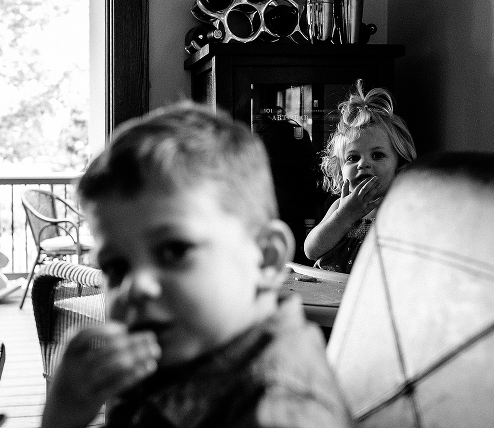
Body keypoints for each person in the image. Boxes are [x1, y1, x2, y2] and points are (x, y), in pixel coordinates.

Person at [42, 101, 353, 428]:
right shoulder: (192, 344)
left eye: (174, 250)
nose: (135, 286)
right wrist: (64, 414)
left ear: (265, 258)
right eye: (116, 268)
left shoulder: (279, 413)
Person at [303, 83, 416, 273]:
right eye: (353, 158)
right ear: (340, 169)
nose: (363, 164)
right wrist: (344, 216)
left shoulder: (398, 208)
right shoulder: (340, 207)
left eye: (378, 155)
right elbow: (311, 251)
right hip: (330, 295)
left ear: (399, 167)